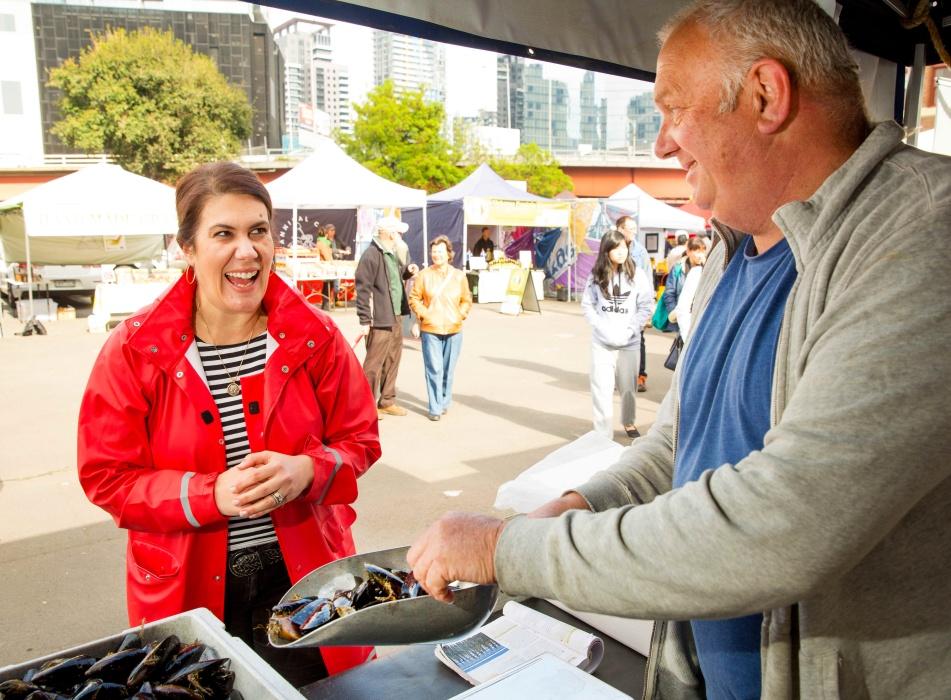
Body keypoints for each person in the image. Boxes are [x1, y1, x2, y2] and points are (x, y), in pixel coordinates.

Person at [406, 1, 951, 698]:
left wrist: (501, 548)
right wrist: (569, 506)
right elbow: (677, 448)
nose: (662, 143)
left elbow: (784, 523)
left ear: (764, 95)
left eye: (672, 109)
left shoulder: (921, 235)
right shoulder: (738, 242)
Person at [77, 162, 381, 685]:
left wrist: (308, 470)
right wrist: (207, 496)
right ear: (188, 249)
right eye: (224, 234)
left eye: (258, 231)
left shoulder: (316, 337)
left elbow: (360, 440)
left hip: (306, 580)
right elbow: (106, 477)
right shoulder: (133, 350)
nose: (247, 251)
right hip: (187, 588)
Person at [581, 230, 654, 439]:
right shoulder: (596, 275)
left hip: (629, 343)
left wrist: (631, 329)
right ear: (607, 250)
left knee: (628, 388)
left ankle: (628, 421)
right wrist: (601, 328)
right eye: (616, 248)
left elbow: (645, 305)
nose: (622, 252)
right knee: (601, 388)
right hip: (602, 343)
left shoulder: (637, 274)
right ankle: (602, 435)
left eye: (624, 247)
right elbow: (588, 306)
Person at [355, 215, 419, 419]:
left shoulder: (392, 253)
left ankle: (387, 401)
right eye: (397, 232)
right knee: (374, 364)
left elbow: (396, 277)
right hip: (380, 318)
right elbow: (362, 289)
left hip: (397, 314)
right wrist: (365, 320)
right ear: (389, 233)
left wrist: (408, 272)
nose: (399, 235)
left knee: (393, 360)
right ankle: (366, 405)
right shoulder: (372, 254)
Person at [408, 235, 473, 422]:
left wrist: (460, 314)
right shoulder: (424, 275)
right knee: (434, 368)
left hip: (454, 329)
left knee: (448, 369)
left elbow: (466, 300)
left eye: (440, 251)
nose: (436, 255)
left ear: (448, 253)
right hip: (431, 329)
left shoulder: (459, 276)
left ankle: (444, 401)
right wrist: (424, 315)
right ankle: (435, 407)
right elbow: (414, 298)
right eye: (434, 252)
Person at [616, 215, 653, 392]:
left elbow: (648, 278)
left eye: (635, 228)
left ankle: (640, 376)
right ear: (620, 229)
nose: (634, 231)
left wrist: (648, 307)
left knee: (639, 339)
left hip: (637, 302)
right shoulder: (610, 248)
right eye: (630, 228)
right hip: (617, 301)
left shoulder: (641, 251)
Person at [662, 236, 707, 339]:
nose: (700, 255)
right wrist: (675, 313)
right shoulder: (678, 268)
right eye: (696, 251)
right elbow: (669, 293)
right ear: (688, 252)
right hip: (682, 317)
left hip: (699, 317)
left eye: (703, 251)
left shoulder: (706, 268)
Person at [315, 223, 337, 312]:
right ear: (326, 233)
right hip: (326, 266)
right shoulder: (323, 243)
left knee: (328, 285)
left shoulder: (322, 242)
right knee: (328, 285)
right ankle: (326, 303)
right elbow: (327, 256)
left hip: (325, 266)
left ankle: (326, 303)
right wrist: (332, 263)